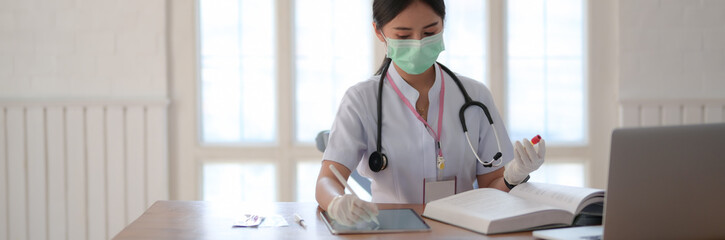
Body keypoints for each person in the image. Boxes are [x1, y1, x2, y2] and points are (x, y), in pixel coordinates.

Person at [315, 0, 546, 226]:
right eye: (404, 36)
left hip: (463, 230)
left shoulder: (475, 96)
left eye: (429, 32)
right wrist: (336, 201)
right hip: (391, 231)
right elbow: (327, 180)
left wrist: (512, 176)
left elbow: (490, 191)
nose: (418, 43)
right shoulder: (361, 99)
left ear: (442, 25)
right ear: (379, 32)